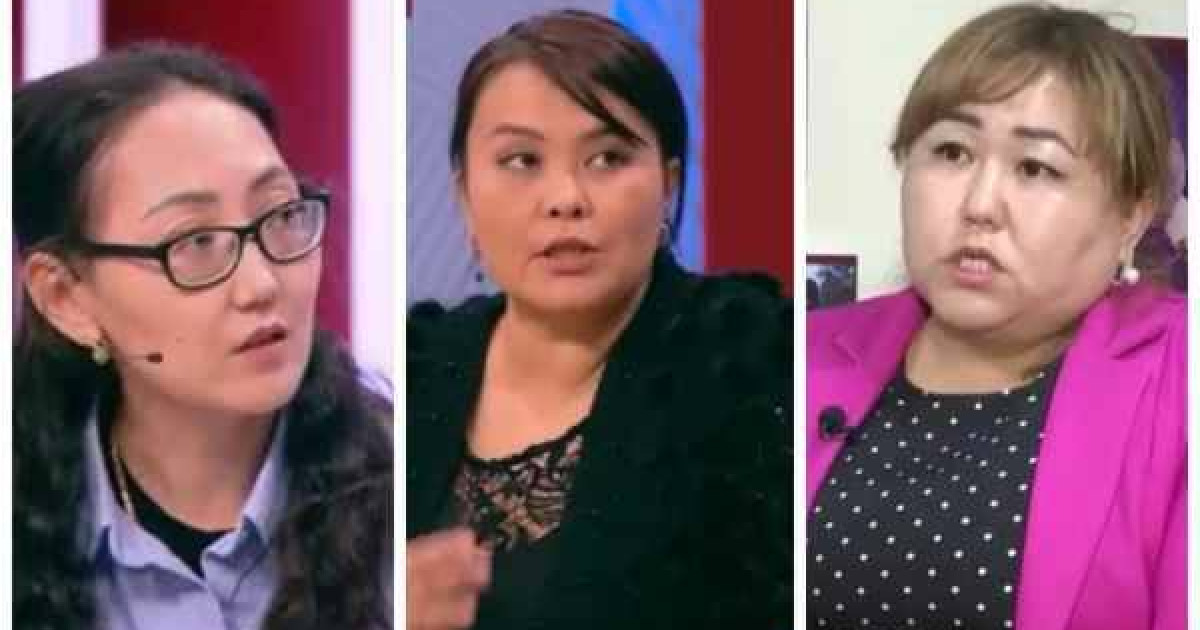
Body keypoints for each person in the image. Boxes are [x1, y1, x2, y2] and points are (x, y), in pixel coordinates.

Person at [407, 10, 791, 630]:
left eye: (608, 158)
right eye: (521, 161)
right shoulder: (413, 368)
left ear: (668, 187)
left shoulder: (754, 359)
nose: (566, 199)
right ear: (464, 197)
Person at [807, 4, 1186, 629]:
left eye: (1036, 167)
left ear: (1131, 217)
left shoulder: (1178, 374)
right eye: (952, 151)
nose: (980, 205)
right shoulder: (804, 351)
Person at [13, 44, 392, 629]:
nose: (262, 284)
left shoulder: (409, 491)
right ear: (67, 298)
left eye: (281, 215)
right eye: (194, 243)